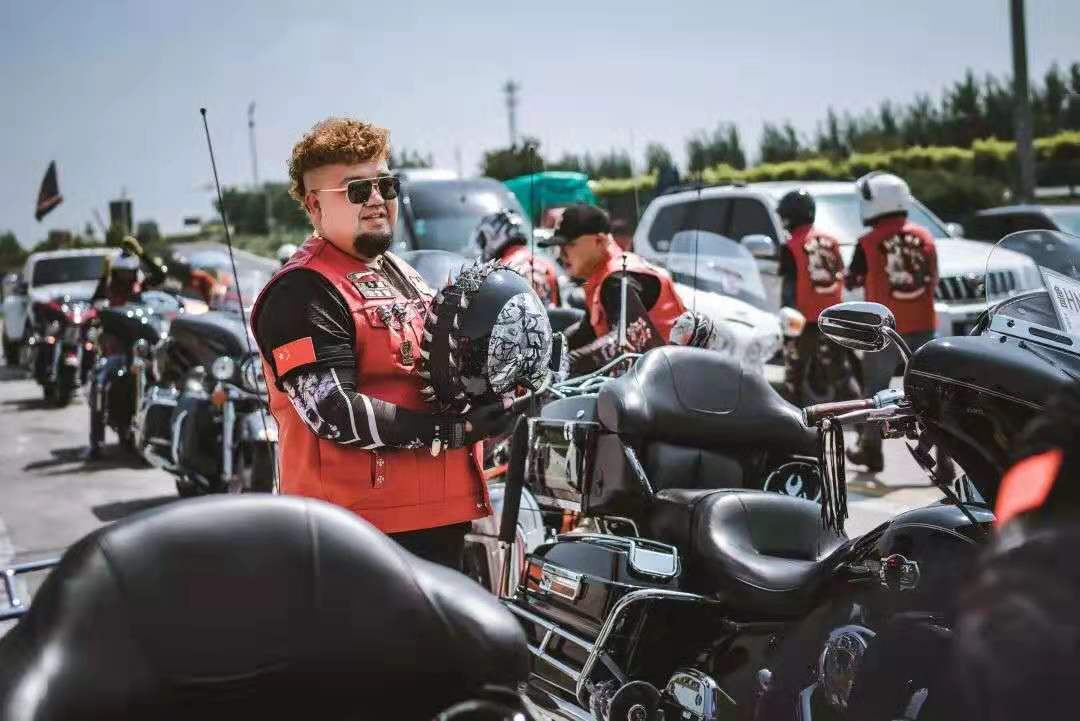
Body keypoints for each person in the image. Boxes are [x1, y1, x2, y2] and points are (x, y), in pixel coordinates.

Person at [251, 117, 507, 570]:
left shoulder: (403, 273)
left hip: (438, 519)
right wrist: (453, 432)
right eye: (356, 190)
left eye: (385, 185)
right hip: (353, 534)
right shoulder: (301, 291)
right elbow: (332, 410)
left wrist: (500, 386)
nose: (376, 199)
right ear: (314, 205)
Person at [845, 172, 938, 472]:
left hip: (886, 330)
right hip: (923, 324)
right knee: (932, 395)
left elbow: (852, 279)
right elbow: (933, 278)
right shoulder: (925, 236)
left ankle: (871, 450)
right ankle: (946, 459)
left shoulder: (868, 242)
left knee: (876, 393)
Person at [540, 203, 685, 375]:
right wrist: (543, 353)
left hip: (671, 379)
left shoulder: (619, 278)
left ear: (599, 241)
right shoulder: (603, 276)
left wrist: (564, 364)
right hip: (657, 376)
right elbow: (585, 333)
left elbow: (621, 340)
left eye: (569, 245)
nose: (561, 255)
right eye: (558, 247)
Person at [776, 188, 856, 405]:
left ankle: (791, 420)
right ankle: (858, 419)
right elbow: (840, 272)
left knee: (794, 375)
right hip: (833, 315)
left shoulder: (791, 245)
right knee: (840, 372)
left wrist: (787, 323)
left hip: (804, 319)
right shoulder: (831, 241)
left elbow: (789, 287)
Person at [473, 209, 560, 307]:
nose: (483, 245)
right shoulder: (547, 266)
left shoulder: (498, 272)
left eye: (483, 240)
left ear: (492, 235)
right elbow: (558, 310)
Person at [91, 235, 166, 307]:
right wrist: (105, 273)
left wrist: (141, 254)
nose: (126, 275)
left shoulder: (139, 286)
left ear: (134, 272)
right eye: (121, 271)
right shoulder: (106, 287)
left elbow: (160, 276)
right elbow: (95, 304)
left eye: (130, 272)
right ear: (115, 273)